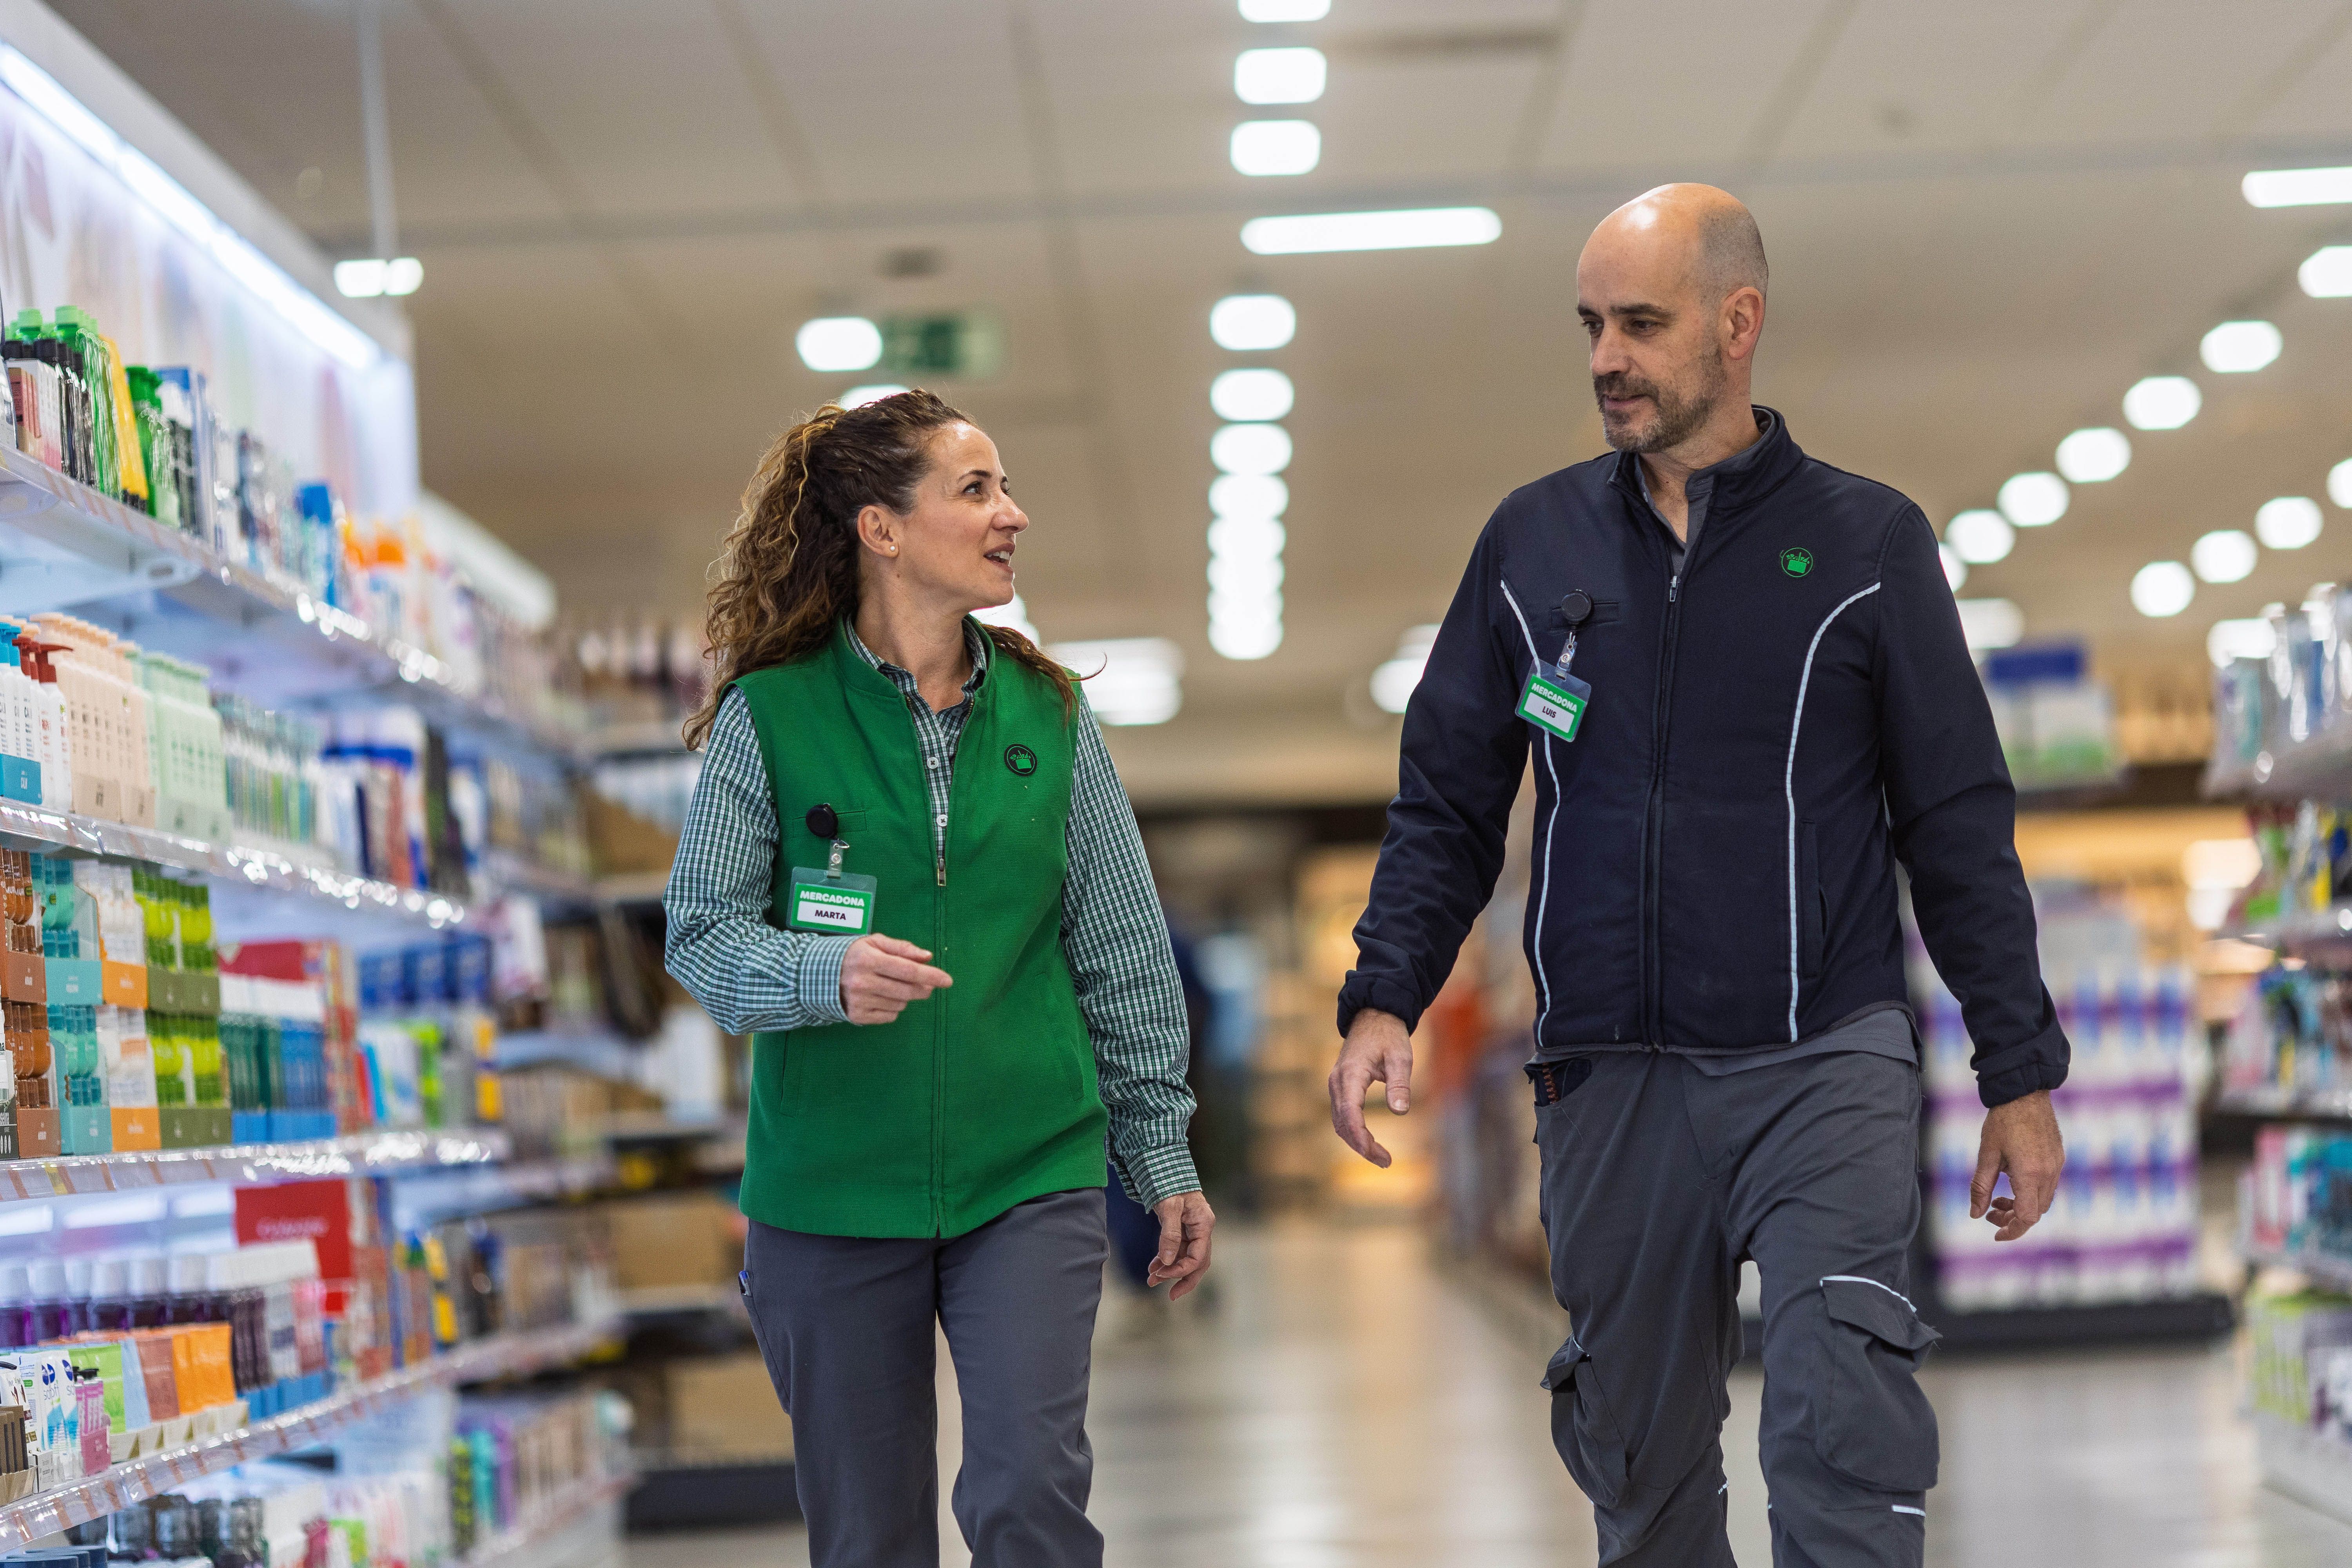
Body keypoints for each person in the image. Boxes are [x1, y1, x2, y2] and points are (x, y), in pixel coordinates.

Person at [1327, 185, 2068, 1568]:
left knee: (1841, 1433)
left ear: (1739, 326)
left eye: (1642, 324)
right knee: (1642, 1475)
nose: (1608, 355)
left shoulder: (1866, 547)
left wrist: (2016, 1075)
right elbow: (1448, 794)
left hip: (1821, 1062)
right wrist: (1386, 996)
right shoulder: (1531, 547)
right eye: (1593, 325)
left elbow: (1957, 822)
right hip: (1610, 1079)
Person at [664, 389, 1215, 1568]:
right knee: (867, 1536)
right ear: (882, 529)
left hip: (1029, 1166)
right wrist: (824, 974)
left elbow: (1122, 951)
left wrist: (1158, 1154)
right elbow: (702, 935)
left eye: (1005, 488)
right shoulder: (772, 716)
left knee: (1029, 1497)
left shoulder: (1053, 719)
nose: (1012, 514)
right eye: (977, 490)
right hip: (827, 1186)